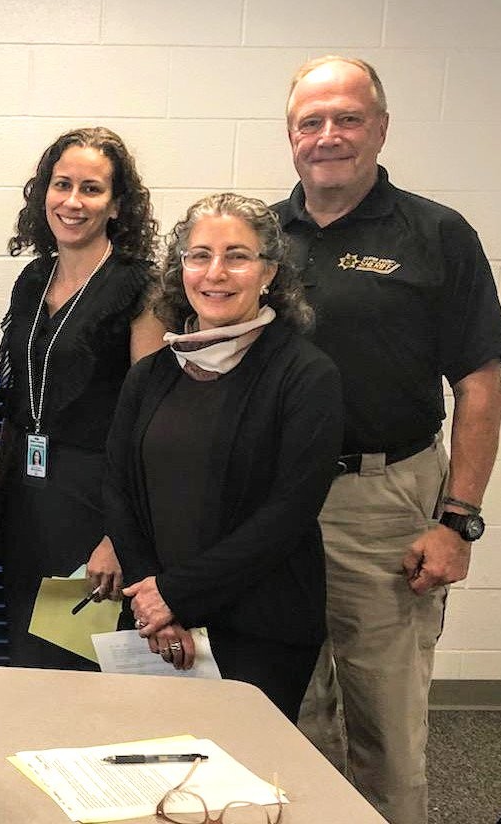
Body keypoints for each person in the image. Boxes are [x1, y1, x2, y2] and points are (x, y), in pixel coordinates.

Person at [275, 56, 501, 823]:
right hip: (275, 505)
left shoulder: (437, 233)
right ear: (291, 136)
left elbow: (480, 388)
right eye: (311, 121)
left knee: (385, 727)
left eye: (347, 117)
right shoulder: (259, 237)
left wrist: (457, 521)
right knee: (286, 713)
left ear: (380, 126)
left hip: (385, 503)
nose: (329, 135)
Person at [104, 193, 343, 721]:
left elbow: (288, 514)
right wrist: (154, 600)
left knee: (239, 788)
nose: (216, 273)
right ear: (181, 268)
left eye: (237, 255)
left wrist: (177, 595)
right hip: (155, 617)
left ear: (269, 272)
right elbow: (118, 491)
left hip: (260, 625)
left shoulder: (305, 375)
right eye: (199, 255)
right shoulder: (151, 374)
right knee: (144, 767)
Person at [0, 127, 165, 670]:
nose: (73, 201)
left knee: (79, 666)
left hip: (97, 504)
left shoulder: (140, 287)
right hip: (29, 495)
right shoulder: (33, 279)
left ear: (116, 205)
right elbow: (19, 401)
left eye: (92, 188)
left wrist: (120, 538)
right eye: (62, 184)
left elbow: (150, 424)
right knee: (26, 657)